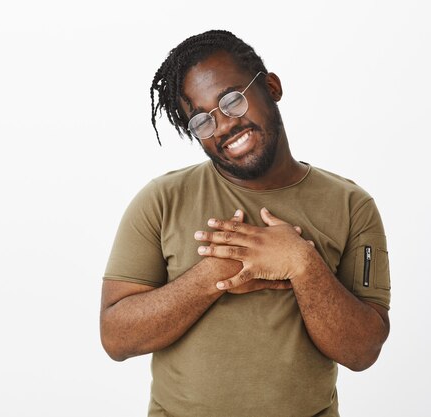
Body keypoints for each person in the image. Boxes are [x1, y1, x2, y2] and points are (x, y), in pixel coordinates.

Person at [99, 29, 390, 417]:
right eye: (201, 121)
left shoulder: (352, 205)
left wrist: (303, 264)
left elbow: (363, 351)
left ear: (271, 87)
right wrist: (214, 274)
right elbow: (116, 338)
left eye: (232, 101)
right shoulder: (161, 200)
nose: (223, 126)